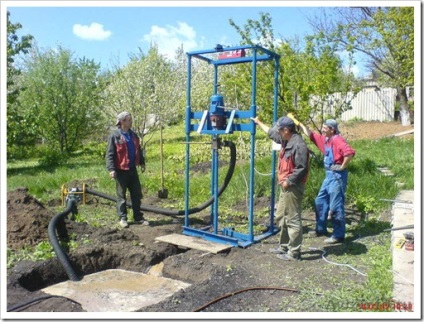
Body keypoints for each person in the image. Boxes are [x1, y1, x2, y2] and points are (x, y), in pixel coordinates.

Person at [251, 115, 309, 261]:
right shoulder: (286, 139)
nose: (278, 132)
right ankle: (283, 246)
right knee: (282, 216)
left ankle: (294, 253)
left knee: (292, 218)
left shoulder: (298, 145)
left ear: (286, 130)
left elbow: (301, 168)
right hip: (286, 186)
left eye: (280, 130)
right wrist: (258, 122)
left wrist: (288, 181)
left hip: (293, 187)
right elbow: (271, 133)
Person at [292, 115, 355, 244]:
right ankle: (321, 229)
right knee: (320, 200)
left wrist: (342, 166)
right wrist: (299, 123)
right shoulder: (326, 140)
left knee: (335, 205)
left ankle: (338, 235)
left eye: (325, 127)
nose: (323, 129)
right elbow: (311, 135)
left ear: (332, 129)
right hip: (328, 176)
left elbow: (349, 152)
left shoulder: (337, 140)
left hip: (337, 177)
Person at [106, 111, 149, 228]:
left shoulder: (133, 135)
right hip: (120, 171)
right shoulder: (115, 136)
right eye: (129, 120)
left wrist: (142, 162)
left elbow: (138, 150)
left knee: (136, 194)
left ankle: (138, 217)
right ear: (122, 122)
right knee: (121, 196)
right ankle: (123, 218)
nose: (131, 122)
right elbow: (110, 154)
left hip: (132, 169)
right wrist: (111, 169)